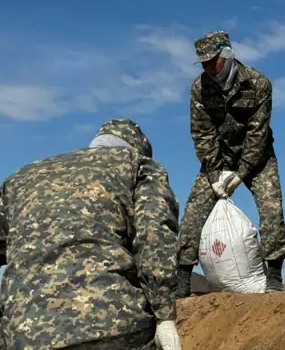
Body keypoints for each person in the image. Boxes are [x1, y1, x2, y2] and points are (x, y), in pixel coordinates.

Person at [0, 118, 182, 349]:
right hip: (114, 326)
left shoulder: (19, 179)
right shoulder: (136, 165)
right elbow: (154, 237)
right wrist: (165, 315)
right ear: (137, 148)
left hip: (23, 334)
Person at [175, 30, 285, 296]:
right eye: (202, 62)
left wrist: (241, 173)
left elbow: (257, 132)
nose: (207, 67)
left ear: (227, 56)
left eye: (211, 60)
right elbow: (202, 133)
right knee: (193, 214)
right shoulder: (199, 88)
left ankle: (273, 273)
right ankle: (181, 279)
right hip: (218, 157)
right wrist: (215, 172)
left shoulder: (258, 83)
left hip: (257, 157)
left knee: (272, 210)